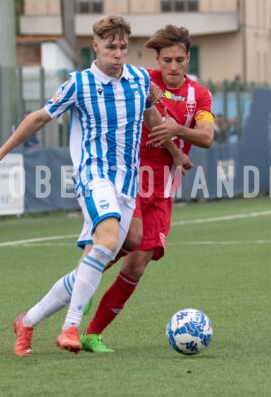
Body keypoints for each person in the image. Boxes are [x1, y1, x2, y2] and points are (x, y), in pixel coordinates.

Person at [0, 15, 183, 357]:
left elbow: (152, 115)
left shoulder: (140, 80)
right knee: (110, 240)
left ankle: (27, 320)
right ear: (95, 47)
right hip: (94, 177)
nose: (118, 53)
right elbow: (39, 117)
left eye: (123, 47)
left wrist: (175, 153)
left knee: (108, 252)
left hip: (127, 183)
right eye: (110, 47)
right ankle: (70, 327)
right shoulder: (79, 84)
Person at [80, 25, 215, 352]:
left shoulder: (199, 95)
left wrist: (179, 131)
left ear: (187, 59)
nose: (172, 66)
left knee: (138, 262)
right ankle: (79, 289)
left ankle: (93, 333)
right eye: (166, 59)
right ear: (157, 59)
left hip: (164, 188)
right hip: (130, 180)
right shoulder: (141, 80)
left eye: (179, 60)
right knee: (123, 241)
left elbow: (207, 136)